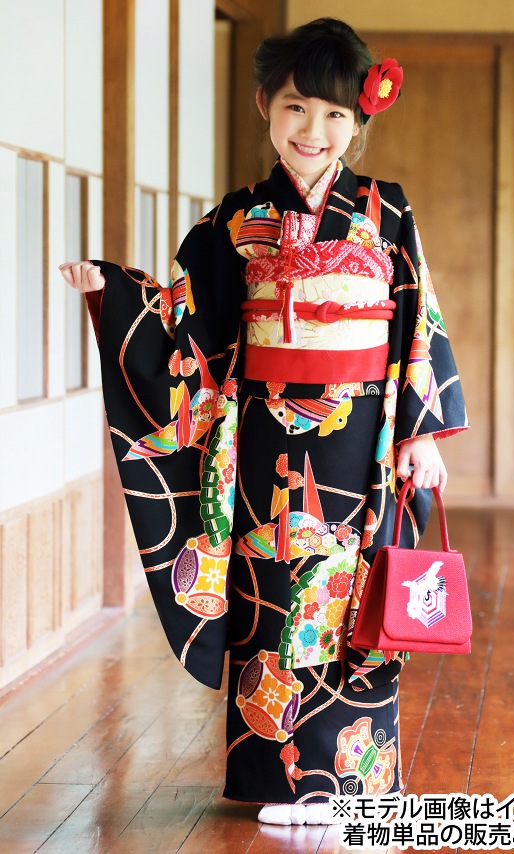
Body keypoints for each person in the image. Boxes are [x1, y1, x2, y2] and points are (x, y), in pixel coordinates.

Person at [60, 18, 467, 826]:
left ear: (360, 122)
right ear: (263, 106)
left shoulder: (388, 213)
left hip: (364, 442)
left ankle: (350, 781)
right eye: (295, 108)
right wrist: (112, 295)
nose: (313, 133)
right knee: (274, 598)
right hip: (263, 443)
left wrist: (422, 432)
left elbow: (416, 322)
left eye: (335, 116)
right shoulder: (234, 220)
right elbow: (190, 326)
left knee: (354, 598)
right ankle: (280, 783)